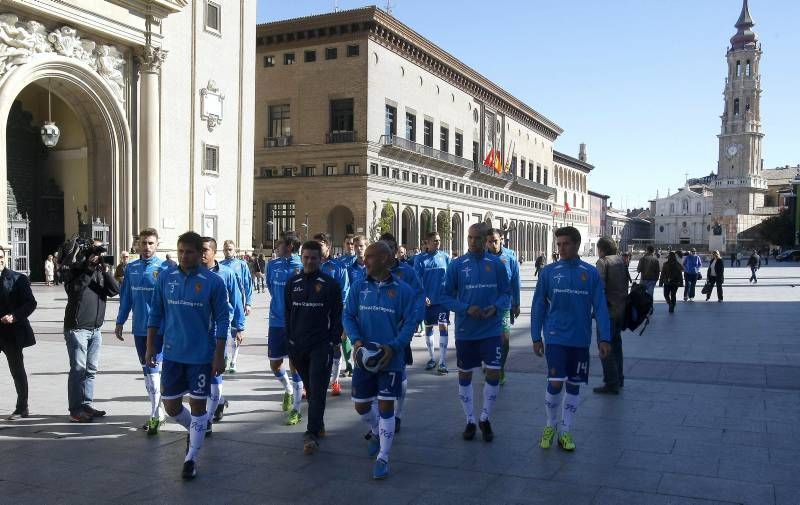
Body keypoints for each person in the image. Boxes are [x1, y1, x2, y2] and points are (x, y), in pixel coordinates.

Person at [146, 231, 231, 479]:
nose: (184, 256)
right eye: (180, 251)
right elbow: (155, 315)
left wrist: (219, 354)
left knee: (197, 406)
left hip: (201, 357)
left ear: (200, 253)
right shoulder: (165, 277)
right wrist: (152, 346)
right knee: (171, 406)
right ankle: (198, 428)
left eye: (190, 251)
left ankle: (191, 458)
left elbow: (223, 321)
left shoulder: (213, 282)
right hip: (172, 354)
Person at [532, 226, 611, 451]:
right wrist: (536, 336)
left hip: (580, 338)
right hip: (555, 336)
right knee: (556, 382)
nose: (561, 248)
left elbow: (601, 307)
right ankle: (550, 425)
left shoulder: (590, 273)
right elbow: (538, 305)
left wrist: (604, 338)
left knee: (574, 385)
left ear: (577, 244)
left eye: (566, 243)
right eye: (558, 244)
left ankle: (565, 431)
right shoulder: (548, 272)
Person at [344, 241, 416, 480]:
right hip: (365, 358)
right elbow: (348, 315)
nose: (365, 261)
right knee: (361, 405)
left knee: (386, 406)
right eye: (365, 257)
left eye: (370, 257)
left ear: (385, 259)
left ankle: (383, 458)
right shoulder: (358, 286)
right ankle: (375, 430)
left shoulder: (403, 290)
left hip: (391, 359)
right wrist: (356, 341)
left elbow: (409, 323)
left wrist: (394, 347)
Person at [441, 223, 511, 443]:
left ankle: (485, 417)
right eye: (470, 238)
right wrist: (464, 308)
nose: (473, 242)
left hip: (491, 329)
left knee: (492, 373)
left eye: (478, 238)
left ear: (486, 239)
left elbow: (506, 293)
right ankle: (470, 420)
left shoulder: (497, 264)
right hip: (466, 331)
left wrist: (496, 307)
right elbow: (445, 296)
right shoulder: (457, 265)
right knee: (465, 375)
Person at [284, 240, 343, 454]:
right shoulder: (293, 283)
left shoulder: (330, 284)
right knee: (310, 389)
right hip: (298, 346)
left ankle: (310, 433)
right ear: (301, 257)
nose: (309, 261)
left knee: (317, 389)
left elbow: (337, 316)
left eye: (314, 258)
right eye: (306, 257)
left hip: (321, 346)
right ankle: (319, 423)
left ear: (321, 259)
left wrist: (332, 341)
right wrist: (289, 342)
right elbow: (288, 314)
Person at [114, 228, 170, 434]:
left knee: (154, 371)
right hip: (139, 329)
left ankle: (155, 415)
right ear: (137, 245)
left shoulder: (165, 268)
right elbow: (126, 296)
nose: (146, 247)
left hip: (159, 329)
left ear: (157, 245)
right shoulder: (131, 268)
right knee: (147, 373)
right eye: (143, 243)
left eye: (150, 243)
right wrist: (120, 321)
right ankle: (159, 410)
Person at [63, 239, 120, 422]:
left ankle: (86, 405)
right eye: (94, 253)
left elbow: (114, 291)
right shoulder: (75, 270)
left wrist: (106, 271)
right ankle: (75, 410)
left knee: (90, 370)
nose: (98, 257)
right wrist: (88, 268)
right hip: (77, 328)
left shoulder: (100, 272)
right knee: (78, 370)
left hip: (96, 329)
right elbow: (75, 290)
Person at [378, 232, 424, 432]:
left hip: (399, 331)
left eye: (390, 249)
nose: (386, 253)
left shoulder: (408, 272)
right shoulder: (371, 271)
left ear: (396, 251)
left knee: (400, 370)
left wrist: (415, 320)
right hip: (377, 330)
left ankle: (398, 414)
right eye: (382, 249)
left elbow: (419, 296)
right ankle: (379, 419)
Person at [200, 237, 246, 433]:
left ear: (214, 252)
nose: (201, 254)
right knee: (201, 376)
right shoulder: (194, 274)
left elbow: (236, 301)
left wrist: (240, 326)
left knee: (216, 373)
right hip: (198, 332)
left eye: (205, 250)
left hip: (220, 331)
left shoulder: (226, 274)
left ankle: (208, 419)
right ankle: (219, 402)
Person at [266, 234, 305, 424]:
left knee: (295, 366)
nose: (277, 246)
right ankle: (288, 389)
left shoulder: (301, 266)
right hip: (275, 322)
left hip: (296, 324)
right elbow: (271, 289)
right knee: (274, 364)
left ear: (289, 246)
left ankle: (297, 409)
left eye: (280, 243)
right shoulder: (272, 265)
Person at [0, 246, 37, 419]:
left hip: (11, 333)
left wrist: (14, 316)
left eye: (0, 256)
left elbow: (31, 303)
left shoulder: (18, 279)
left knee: (17, 370)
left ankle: (22, 407)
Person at [313, 233, 350, 397]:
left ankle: (334, 381)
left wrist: (340, 317)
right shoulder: (310, 265)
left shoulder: (338, 267)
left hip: (333, 316)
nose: (318, 247)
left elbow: (344, 293)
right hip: (314, 315)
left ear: (328, 246)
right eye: (315, 244)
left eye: (321, 244)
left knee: (335, 347)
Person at [593, 237, 628, 395]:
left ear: (602, 249)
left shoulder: (603, 262)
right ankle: (619, 378)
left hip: (607, 312)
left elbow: (599, 287)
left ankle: (611, 382)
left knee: (604, 346)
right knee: (617, 345)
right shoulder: (620, 260)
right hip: (621, 309)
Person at [486, 228, 520, 386]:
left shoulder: (510, 256)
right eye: (489, 241)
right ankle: (489, 363)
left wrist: (517, 302)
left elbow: (515, 281)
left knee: (504, 340)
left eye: (495, 241)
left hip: (505, 306)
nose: (493, 244)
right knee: (487, 339)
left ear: (501, 240)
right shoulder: (482, 257)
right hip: (486, 306)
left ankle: (500, 368)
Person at [413, 231, 451, 374]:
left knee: (443, 328)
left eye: (439, 240)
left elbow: (451, 277)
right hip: (428, 302)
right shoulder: (420, 259)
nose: (437, 242)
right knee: (428, 329)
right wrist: (423, 296)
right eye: (434, 240)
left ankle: (442, 361)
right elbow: (416, 280)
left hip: (442, 301)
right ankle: (432, 358)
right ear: (427, 243)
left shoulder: (445, 257)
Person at [221, 240, 253, 373]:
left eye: (230, 249)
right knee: (223, 332)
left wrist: (248, 303)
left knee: (237, 333)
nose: (228, 251)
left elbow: (248, 284)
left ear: (235, 250)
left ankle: (234, 360)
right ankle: (224, 356)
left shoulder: (241, 265)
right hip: (224, 304)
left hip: (237, 303)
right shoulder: (220, 265)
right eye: (226, 249)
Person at [342, 235, 369, 378]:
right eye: (356, 245)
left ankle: (364, 368)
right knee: (348, 338)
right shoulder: (349, 268)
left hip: (370, 310)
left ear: (366, 247)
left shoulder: (372, 266)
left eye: (361, 246)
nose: (358, 249)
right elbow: (346, 288)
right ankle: (350, 365)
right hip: (353, 310)